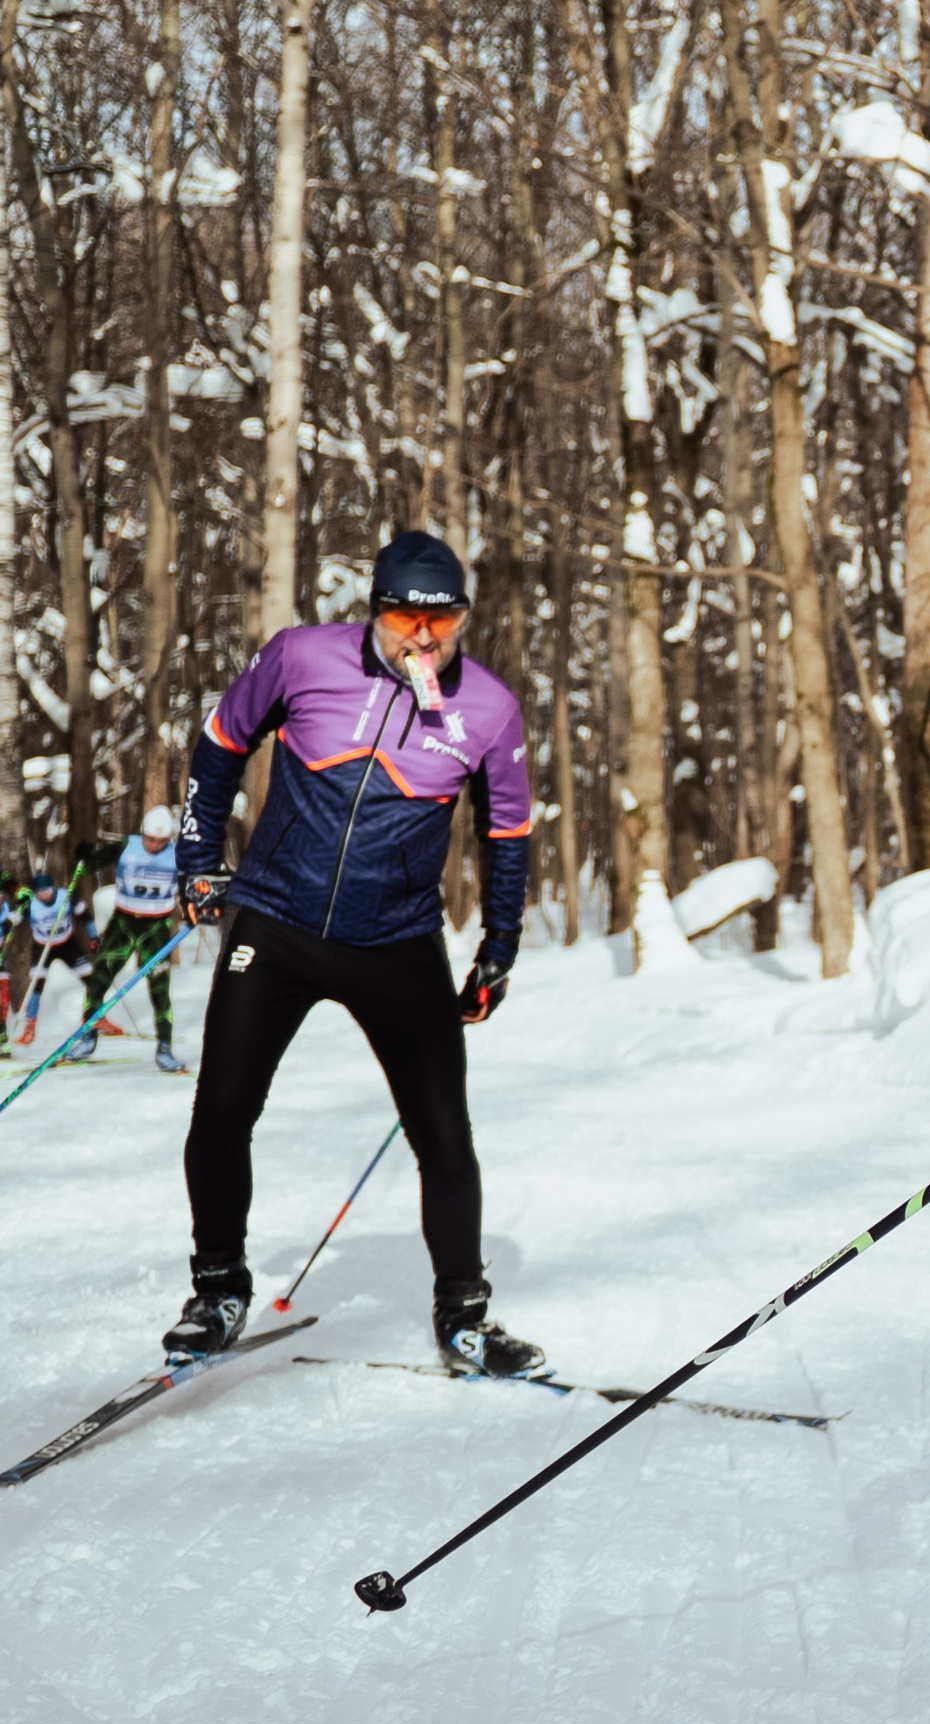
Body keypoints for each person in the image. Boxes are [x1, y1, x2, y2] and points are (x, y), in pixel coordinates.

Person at [162, 530, 545, 1375]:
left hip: (397, 941)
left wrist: (499, 949)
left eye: (443, 619)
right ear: (375, 611)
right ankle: (218, 1290)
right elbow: (221, 744)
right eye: (406, 617)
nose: (424, 635)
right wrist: (198, 860)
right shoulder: (302, 657)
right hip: (276, 922)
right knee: (222, 1112)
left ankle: (464, 1315)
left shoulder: (488, 708)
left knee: (443, 1135)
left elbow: (507, 832)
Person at [64, 806, 186, 1071]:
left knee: (160, 989)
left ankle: (165, 1048)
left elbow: (194, 882)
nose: (154, 845)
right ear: (142, 833)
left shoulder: (178, 854)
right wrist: (81, 858)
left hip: (156, 928)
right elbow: (88, 867)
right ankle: (88, 1037)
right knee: (99, 981)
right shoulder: (125, 846)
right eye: (150, 839)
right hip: (123, 923)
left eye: (161, 841)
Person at [11, 861, 95, 1048]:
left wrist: (94, 936)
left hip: (68, 944)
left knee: (91, 979)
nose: (45, 894)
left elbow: (86, 916)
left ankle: (96, 1017)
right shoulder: (30, 903)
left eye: (48, 890)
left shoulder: (66, 897)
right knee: (36, 985)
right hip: (42, 946)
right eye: (40, 892)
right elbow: (13, 921)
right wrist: (16, 913)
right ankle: (29, 1027)